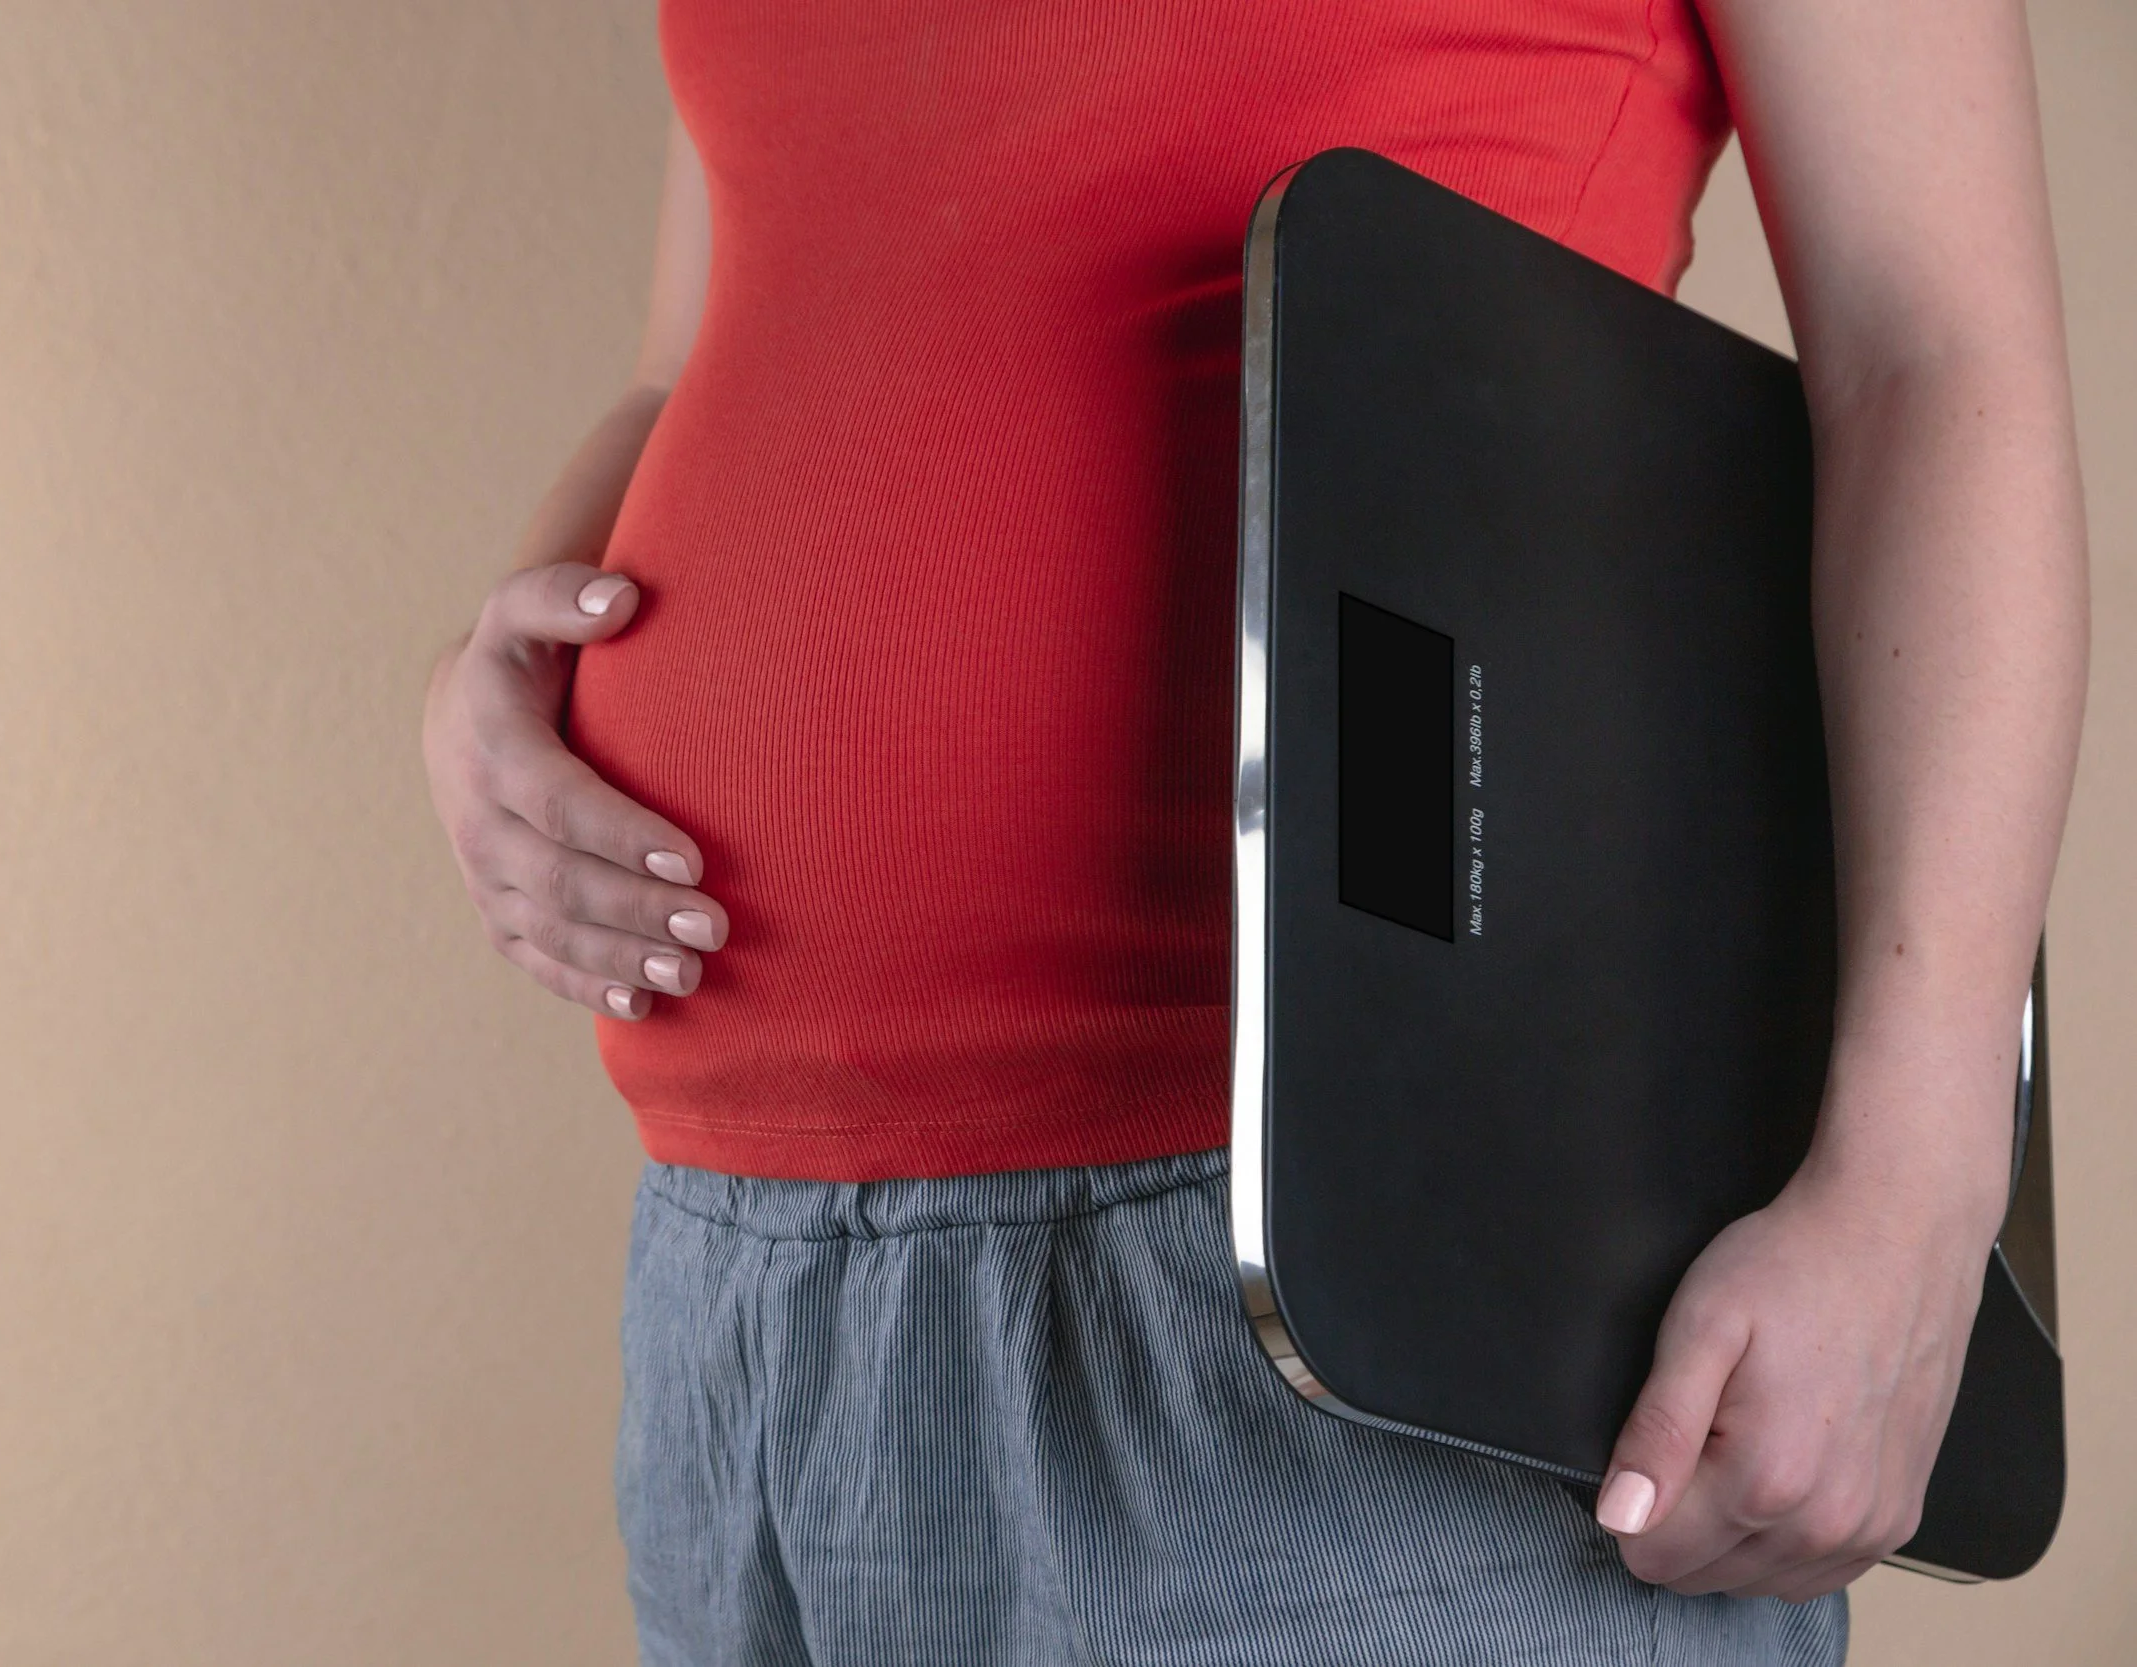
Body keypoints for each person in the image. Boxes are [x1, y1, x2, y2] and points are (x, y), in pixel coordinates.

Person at [423, 0, 2086, 1659]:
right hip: (744, 1293)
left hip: (1342, 1294)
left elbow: (1933, 360)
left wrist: (1916, 1197)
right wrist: (497, 683)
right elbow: (702, 345)